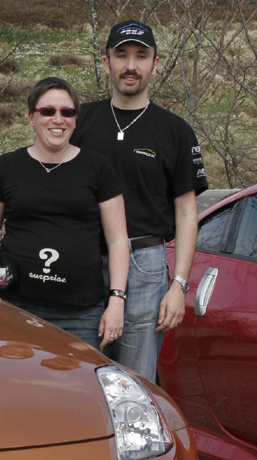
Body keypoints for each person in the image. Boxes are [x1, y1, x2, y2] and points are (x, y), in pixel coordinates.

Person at [71, 19, 209, 380]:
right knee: (79, 379)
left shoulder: (175, 131)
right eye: (121, 55)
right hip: (81, 261)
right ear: (106, 62)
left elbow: (186, 213)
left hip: (145, 268)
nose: (130, 65)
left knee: (135, 383)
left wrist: (179, 285)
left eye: (140, 56)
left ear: (155, 64)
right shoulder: (78, 122)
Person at [0, 76, 130, 350]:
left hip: (81, 315)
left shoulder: (98, 168)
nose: (58, 119)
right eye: (47, 111)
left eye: (67, 112)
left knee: (80, 379)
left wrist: (117, 301)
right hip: (16, 307)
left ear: (75, 119)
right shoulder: (7, 167)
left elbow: (118, 240)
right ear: (31, 117)